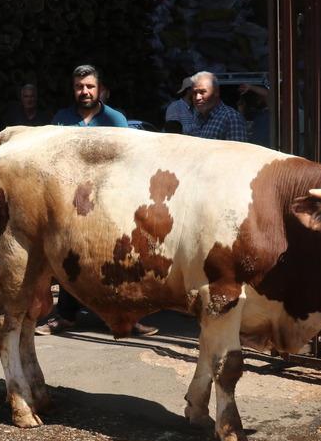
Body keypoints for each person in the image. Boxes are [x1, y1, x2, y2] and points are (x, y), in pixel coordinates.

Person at [38, 65, 156, 337]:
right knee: (72, 259)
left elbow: (126, 161)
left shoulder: (116, 119)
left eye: (90, 86)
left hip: (108, 202)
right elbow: (51, 158)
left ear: (99, 88)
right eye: (80, 87)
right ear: (73, 89)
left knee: (116, 260)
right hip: (70, 203)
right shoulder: (61, 118)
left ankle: (127, 318)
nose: (85, 92)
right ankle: (65, 316)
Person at [164, 72, 250, 141]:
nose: (197, 97)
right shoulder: (199, 116)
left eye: (203, 92)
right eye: (194, 93)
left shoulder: (231, 117)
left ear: (216, 93)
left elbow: (238, 157)